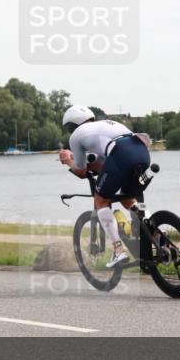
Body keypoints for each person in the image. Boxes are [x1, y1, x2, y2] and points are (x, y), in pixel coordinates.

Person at [58, 104, 151, 267]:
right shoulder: (108, 124)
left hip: (121, 154)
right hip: (141, 151)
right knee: (128, 199)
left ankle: (118, 251)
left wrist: (68, 160)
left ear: (72, 125)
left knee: (101, 200)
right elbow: (108, 165)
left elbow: (80, 171)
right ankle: (155, 231)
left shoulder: (75, 137)